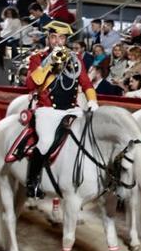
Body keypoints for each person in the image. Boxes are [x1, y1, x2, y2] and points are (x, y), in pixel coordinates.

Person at [24, 21, 97, 198]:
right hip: (48, 110)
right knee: (45, 142)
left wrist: (92, 101)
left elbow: (86, 83)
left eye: (62, 38)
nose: (57, 41)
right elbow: (31, 84)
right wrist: (50, 63)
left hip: (72, 109)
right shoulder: (38, 58)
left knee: (91, 134)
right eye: (54, 37)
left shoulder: (75, 59)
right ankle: (32, 181)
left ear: (66, 40)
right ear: (48, 38)